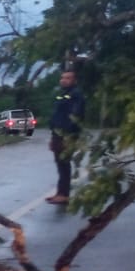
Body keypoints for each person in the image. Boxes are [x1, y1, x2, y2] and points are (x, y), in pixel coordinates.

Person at [47, 70, 86, 205]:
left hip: (67, 135)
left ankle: (64, 195)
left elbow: (75, 117)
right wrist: (53, 137)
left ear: (75, 81)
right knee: (60, 164)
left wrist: (68, 137)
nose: (64, 80)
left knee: (64, 164)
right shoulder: (62, 95)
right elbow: (57, 116)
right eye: (62, 78)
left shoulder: (76, 95)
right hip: (58, 134)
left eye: (68, 78)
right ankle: (60, 193)